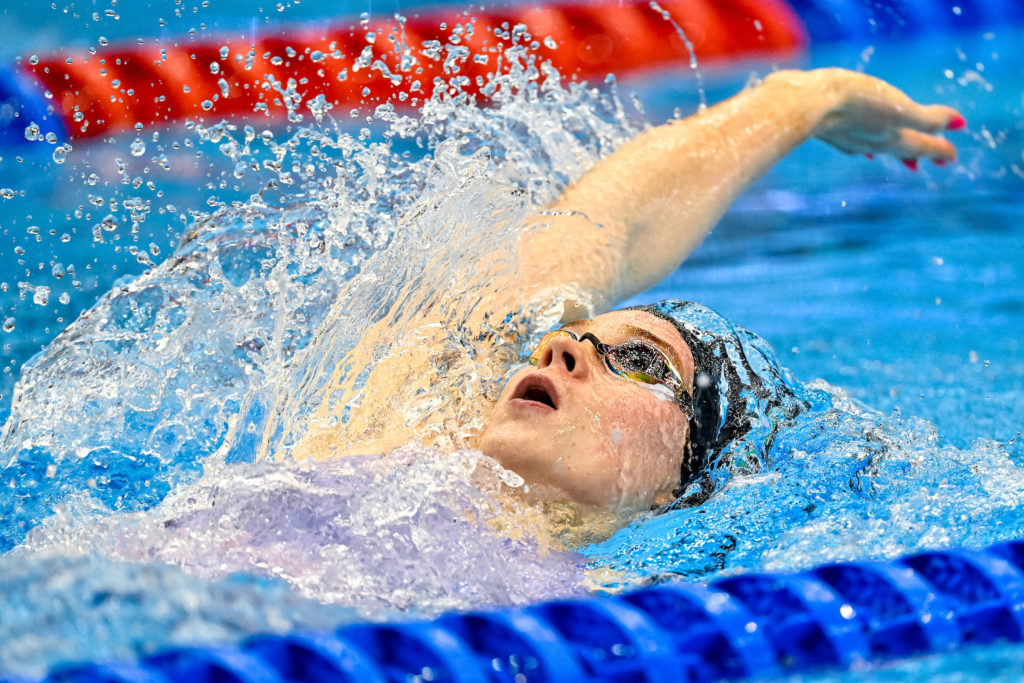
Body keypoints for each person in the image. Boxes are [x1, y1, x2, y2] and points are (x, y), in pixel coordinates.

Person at [296, 68, 965, 514]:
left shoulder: (610, 625)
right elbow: (604, 229)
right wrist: (801, 99)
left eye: (641, 362)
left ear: (677, 487)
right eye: (567, 339)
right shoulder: (394, 429)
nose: (557, 349)